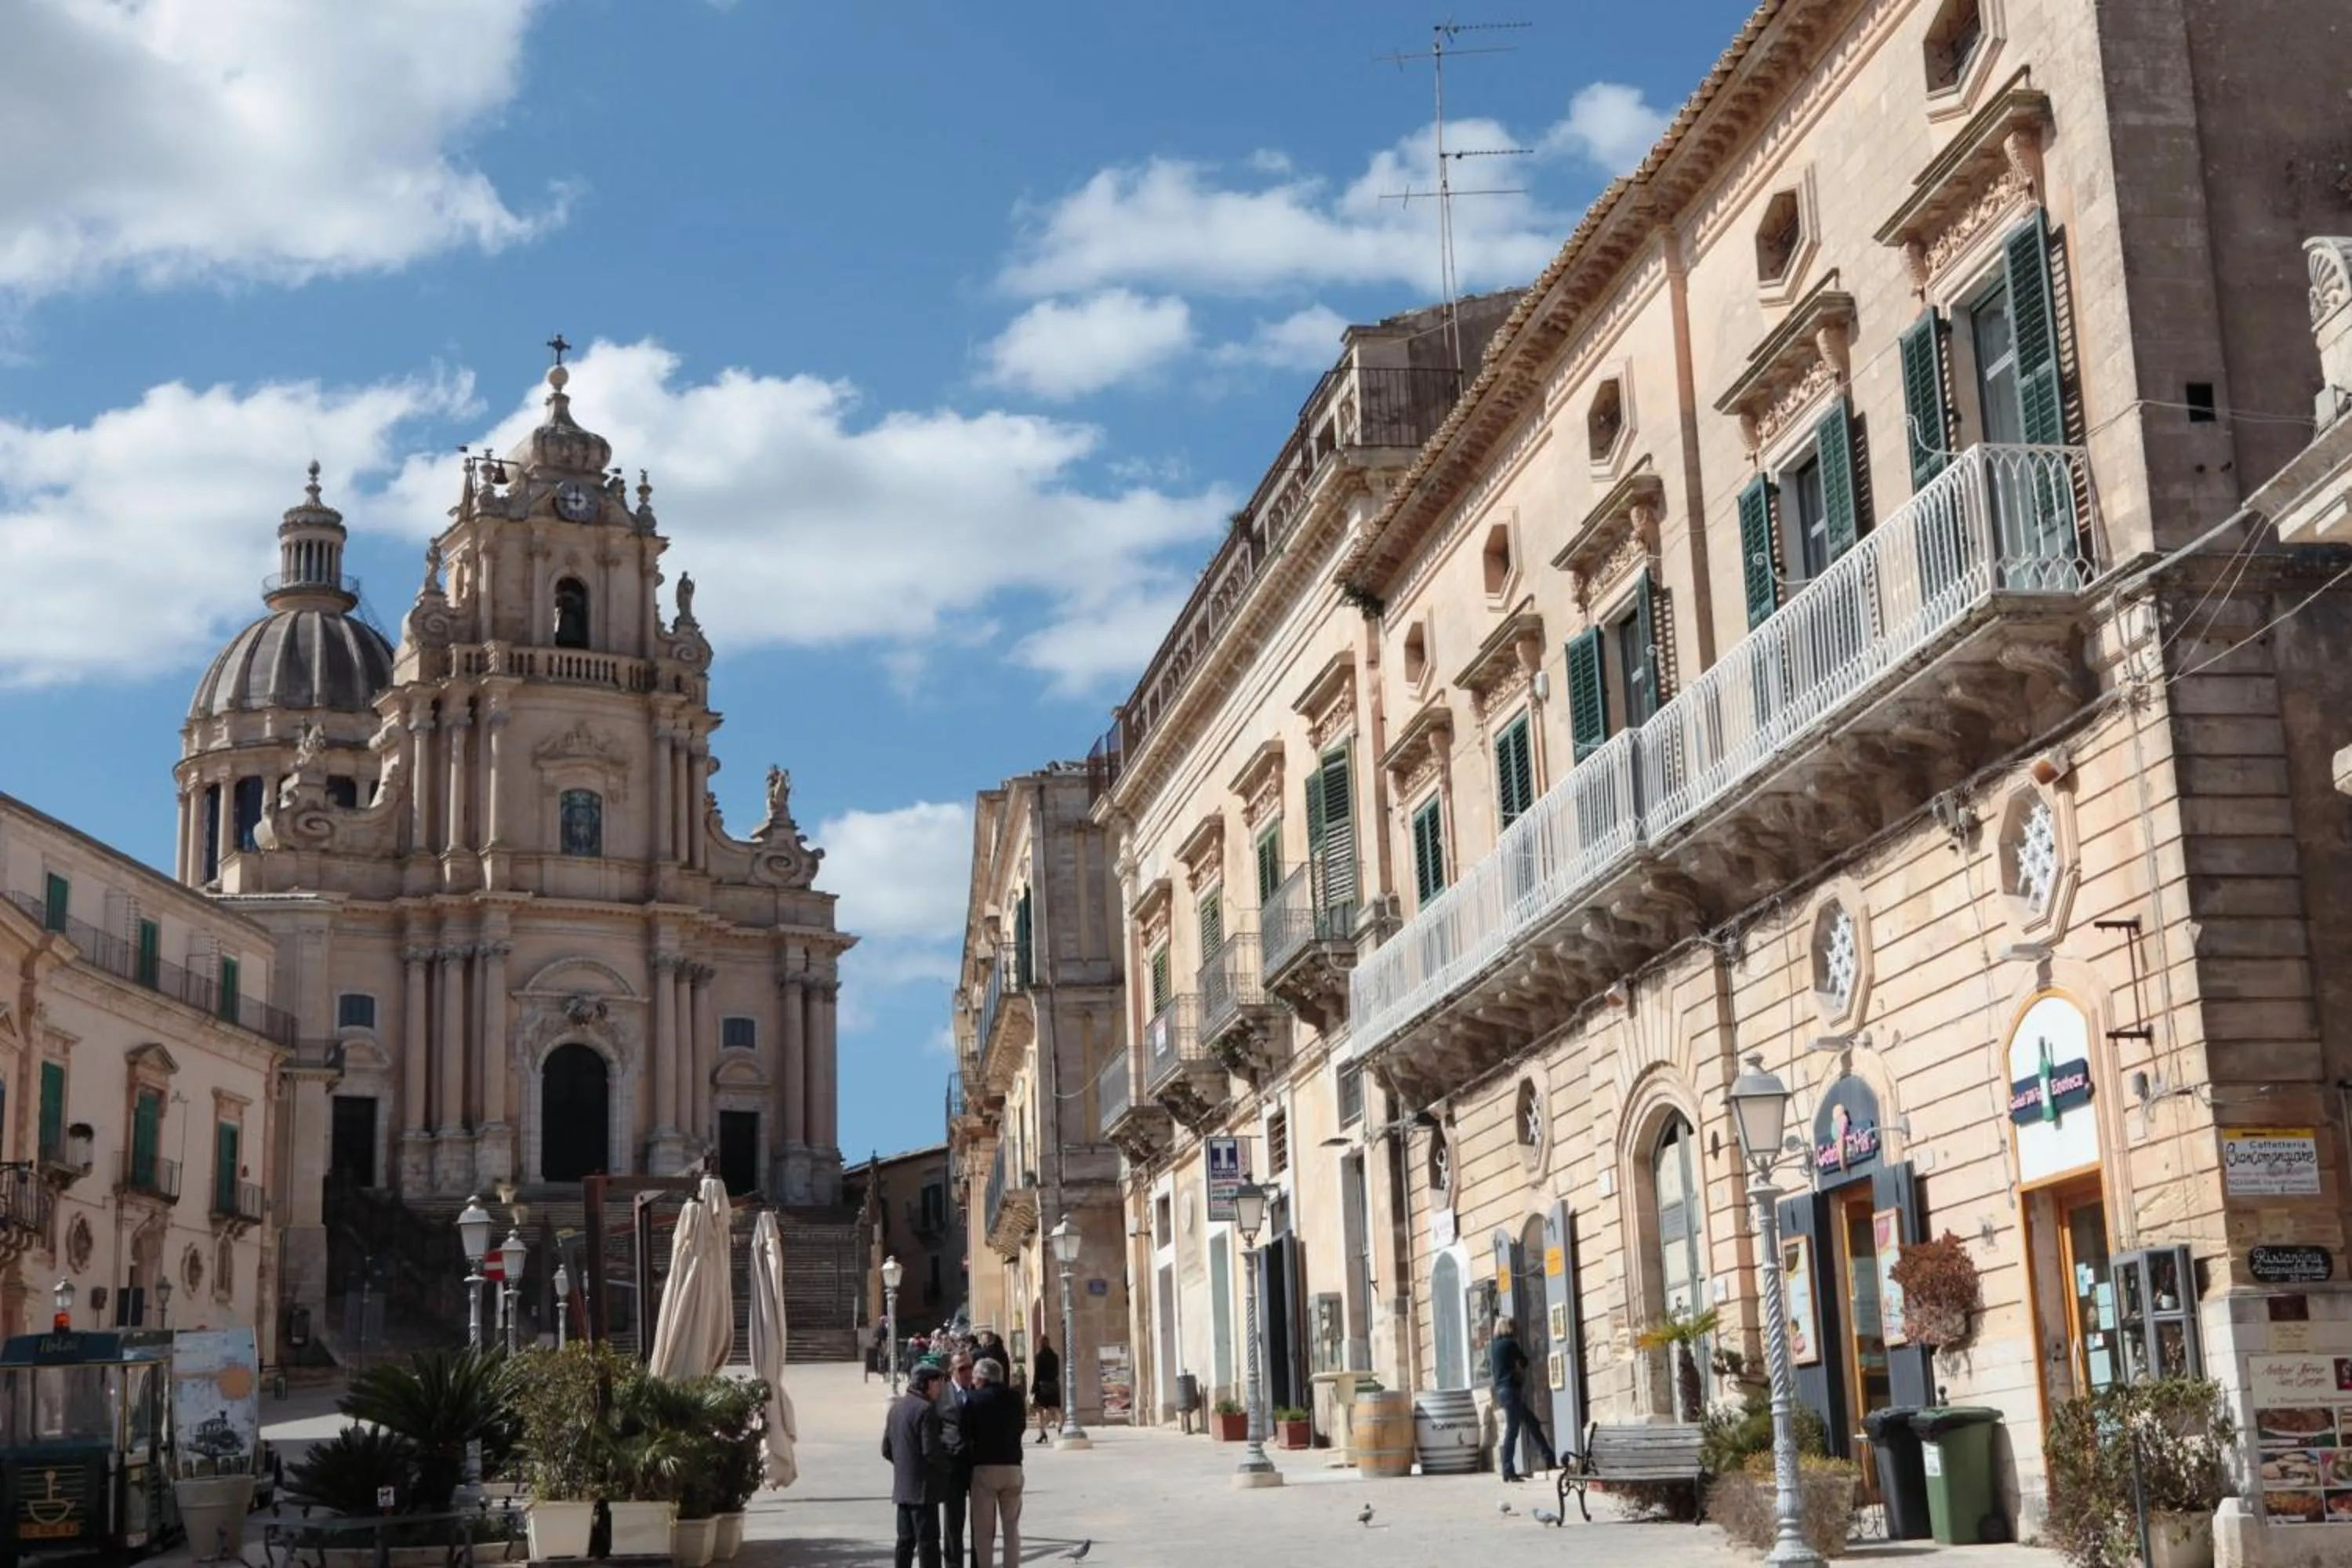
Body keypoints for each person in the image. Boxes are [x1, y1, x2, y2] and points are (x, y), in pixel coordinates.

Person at [883, 1363, 950, 1568]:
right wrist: (948, 1467)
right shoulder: (926, 1409)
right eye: (938, 1382)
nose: (940, 1387)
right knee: (928, 1544)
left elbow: (886, 1449)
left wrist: (905, 1464)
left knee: (905, 1542)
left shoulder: (897, 1408)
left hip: (903, 1488)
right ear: (927, 1384)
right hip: (924, 1490)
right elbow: (930, 1451)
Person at [964, 1357, 1028, 1568]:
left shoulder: (973, 1399)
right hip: (1012, 1466)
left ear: (982, 1378)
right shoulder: (1015, 1398)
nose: (972, 1381)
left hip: (985, 1467)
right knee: (1011, 1528)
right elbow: (1021, 1427)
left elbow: (968, 1433)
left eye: (974, 1377)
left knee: (983, 1530)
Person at [1488, 1317, 1556, 1483]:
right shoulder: (1510, 1344)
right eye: (1513, 1326)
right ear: (1508, 1328)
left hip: (1503, 1392)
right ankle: (1508, 1470)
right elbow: (1524, 1361)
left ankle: (1548, 1457)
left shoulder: (1495, 1346)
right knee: (1512, 1431)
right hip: (1511, 1391)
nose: (1516, 1329)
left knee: (1531, 1422)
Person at [938, 1352, 978, 1568]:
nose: (967, 1373)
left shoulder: (979, 1392)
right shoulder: (943, 1395)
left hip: (978, 1466)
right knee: (953, 1522)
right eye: (962, 1368)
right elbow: (935, 1428)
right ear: (952, 1371)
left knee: (979, 1521)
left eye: (970, 1367)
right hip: (953, 1467)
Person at [1029, 1334, 1062, 1446]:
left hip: (1042, 1386)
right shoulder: (1055, 1356)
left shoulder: (1039, 1356)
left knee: (1040, 1410)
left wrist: (1033, 1388)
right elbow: (1057, 1372)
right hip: (1053, 1384)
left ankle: (1042, 1433)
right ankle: (1060, 1427)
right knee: (1055, 1408)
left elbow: (1037, 1374)